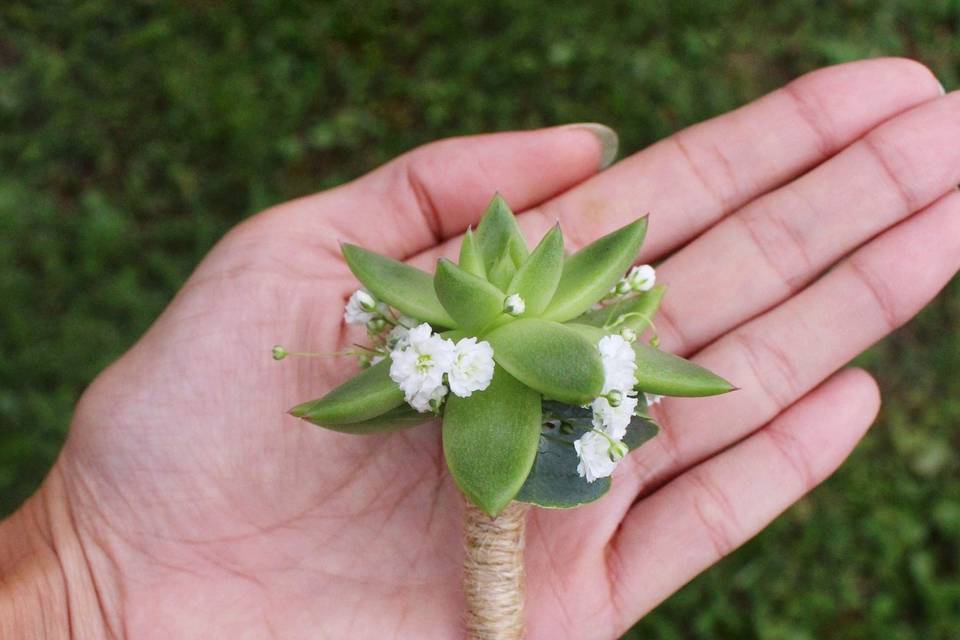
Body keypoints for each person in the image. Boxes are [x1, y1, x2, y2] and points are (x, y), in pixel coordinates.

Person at [1, 57, 958, 639]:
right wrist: (87, 572)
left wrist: (86, 587)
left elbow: (586, 362)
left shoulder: (572, 329)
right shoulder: (442, 335)